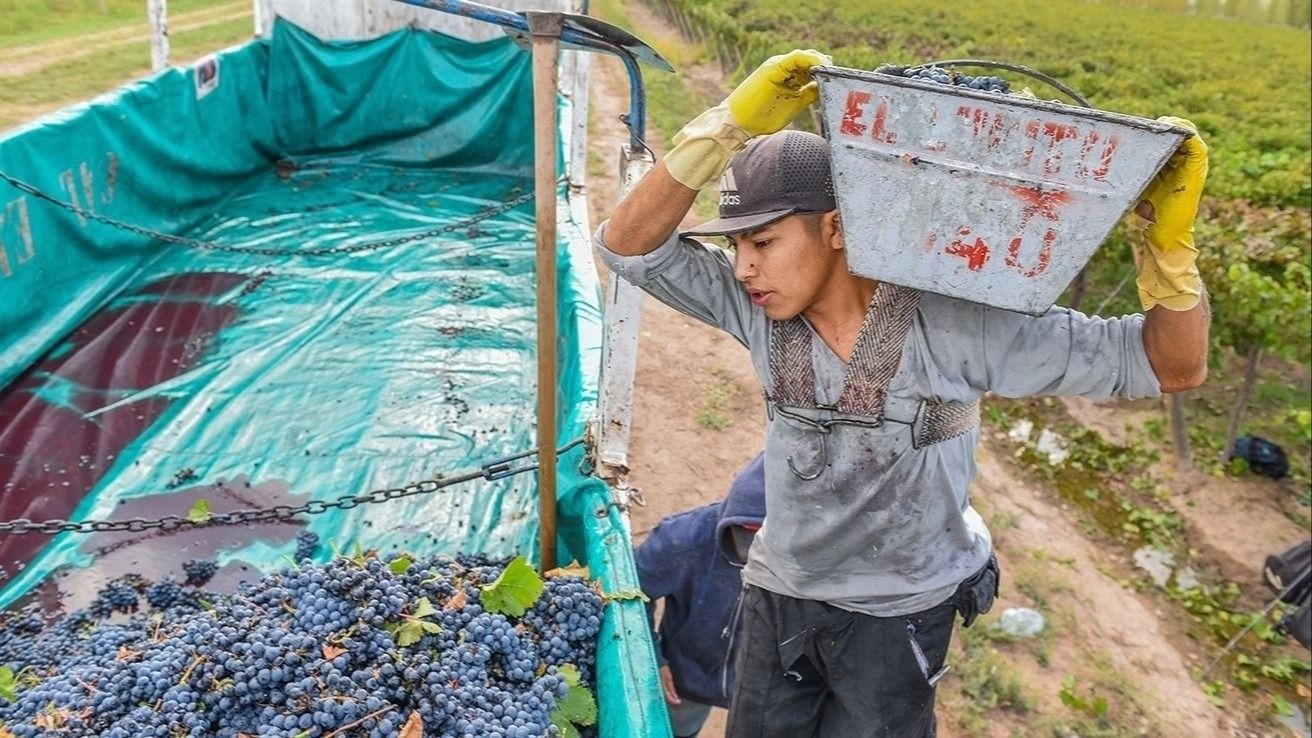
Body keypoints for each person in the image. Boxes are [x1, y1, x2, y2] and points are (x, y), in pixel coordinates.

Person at [595, 49, 1211, 738]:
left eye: (763, 242)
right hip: (781, 594)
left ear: (835, 229)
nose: (743, 268)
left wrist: (1171, 253)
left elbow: (1167, 365)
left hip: (900, 614)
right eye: (735, 246)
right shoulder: (758, 310)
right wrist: (725, 129)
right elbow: (626, 247)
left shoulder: (958, 325)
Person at [634, 453, 767, 738]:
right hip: (687, 679)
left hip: (767, 686)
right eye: (746, 533)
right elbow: (634, 591)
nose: (751, 547)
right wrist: (654, 659)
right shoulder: (683, 540)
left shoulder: (810, 551)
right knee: (677, 730)